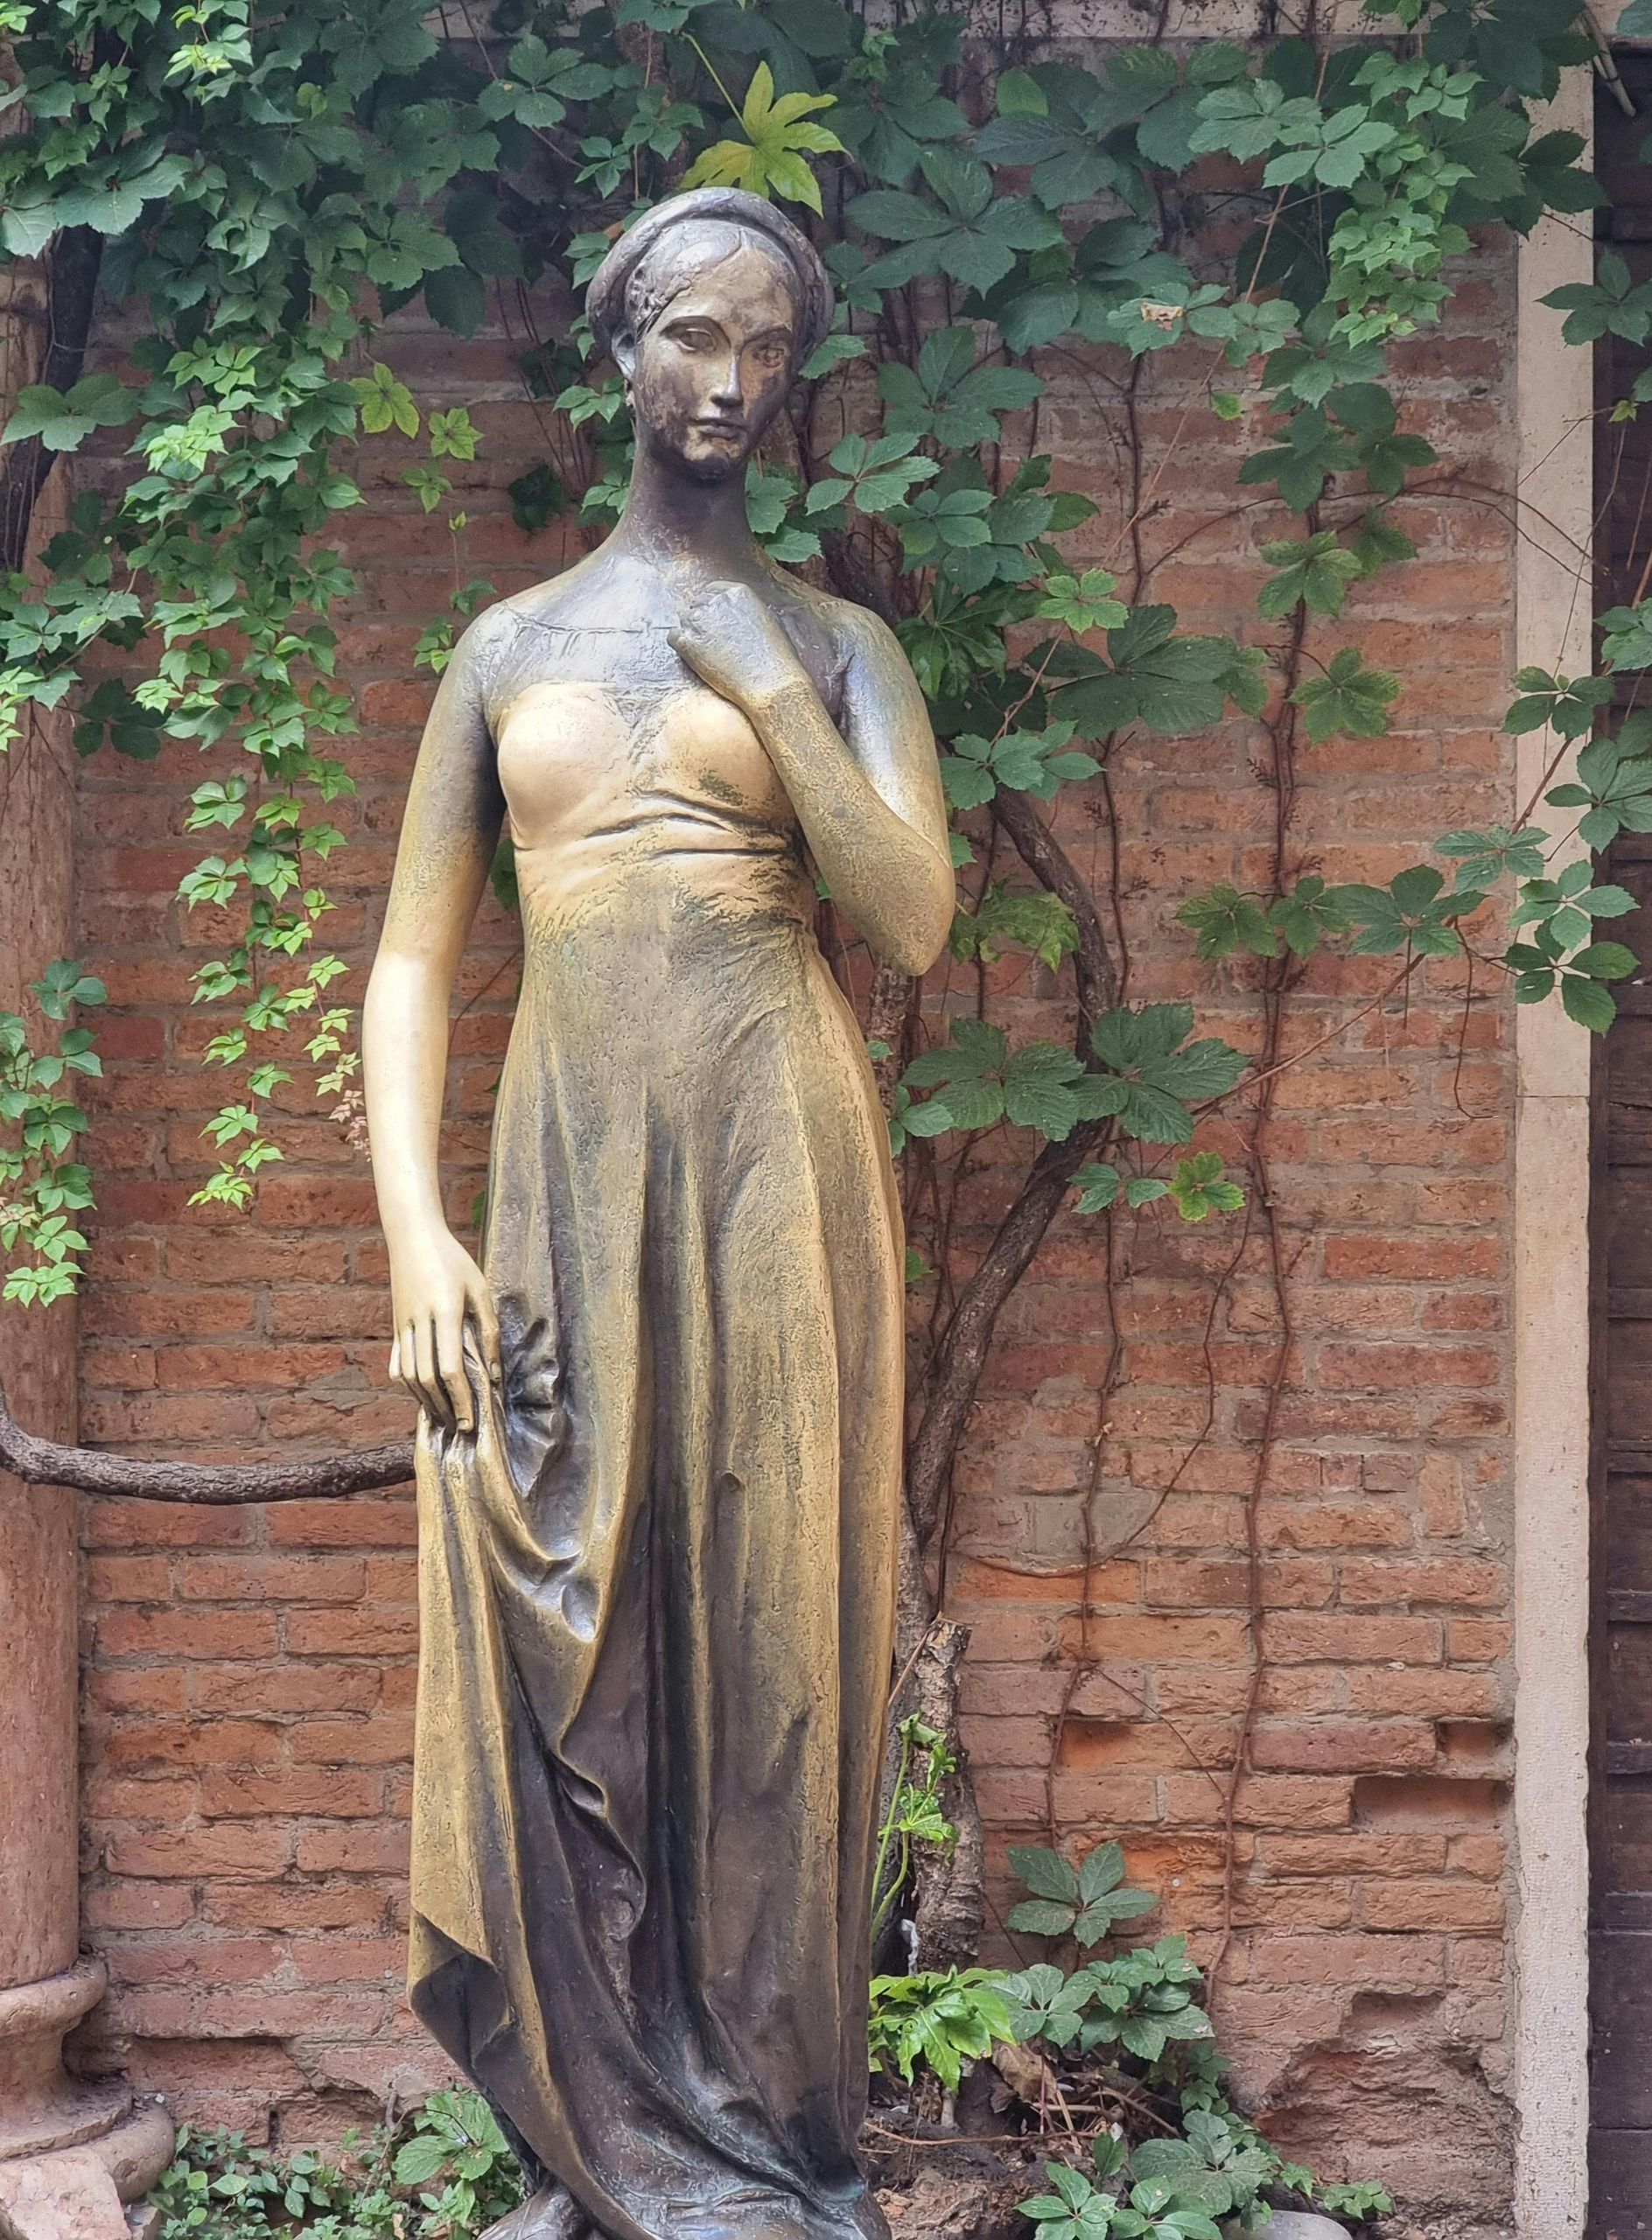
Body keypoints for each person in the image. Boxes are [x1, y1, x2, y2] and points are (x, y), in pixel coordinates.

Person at [360, 186, 956, 2240]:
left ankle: (787, 2147)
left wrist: (778, 702)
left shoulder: (840, 642)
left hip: (773, 1153)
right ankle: (603, 2141)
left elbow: (914, 919)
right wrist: (414, 1231)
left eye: (770, 351)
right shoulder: (506, 649)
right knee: (566, 1634)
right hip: (558, 1172)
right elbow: (416, 964)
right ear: (619, 346)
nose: (729, 383)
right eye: (695, 337)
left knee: (780, 1632)